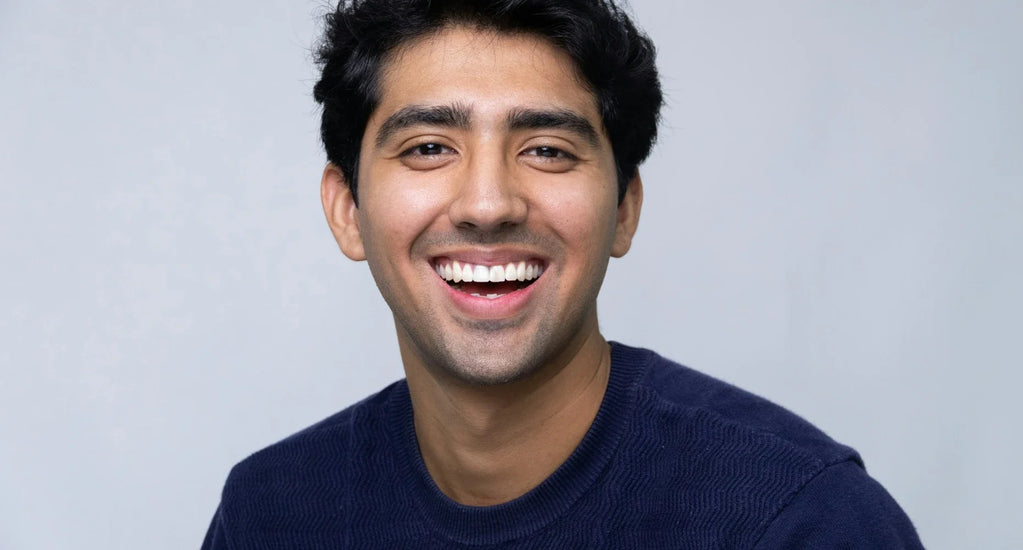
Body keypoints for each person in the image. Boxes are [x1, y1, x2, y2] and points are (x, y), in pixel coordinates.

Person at [202, 0, 924, 547]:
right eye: (428, 148)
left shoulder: (793, 518)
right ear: (347, 209)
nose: (488, 204)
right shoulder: (271, 515)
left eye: (547, 150)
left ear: (623, 210)